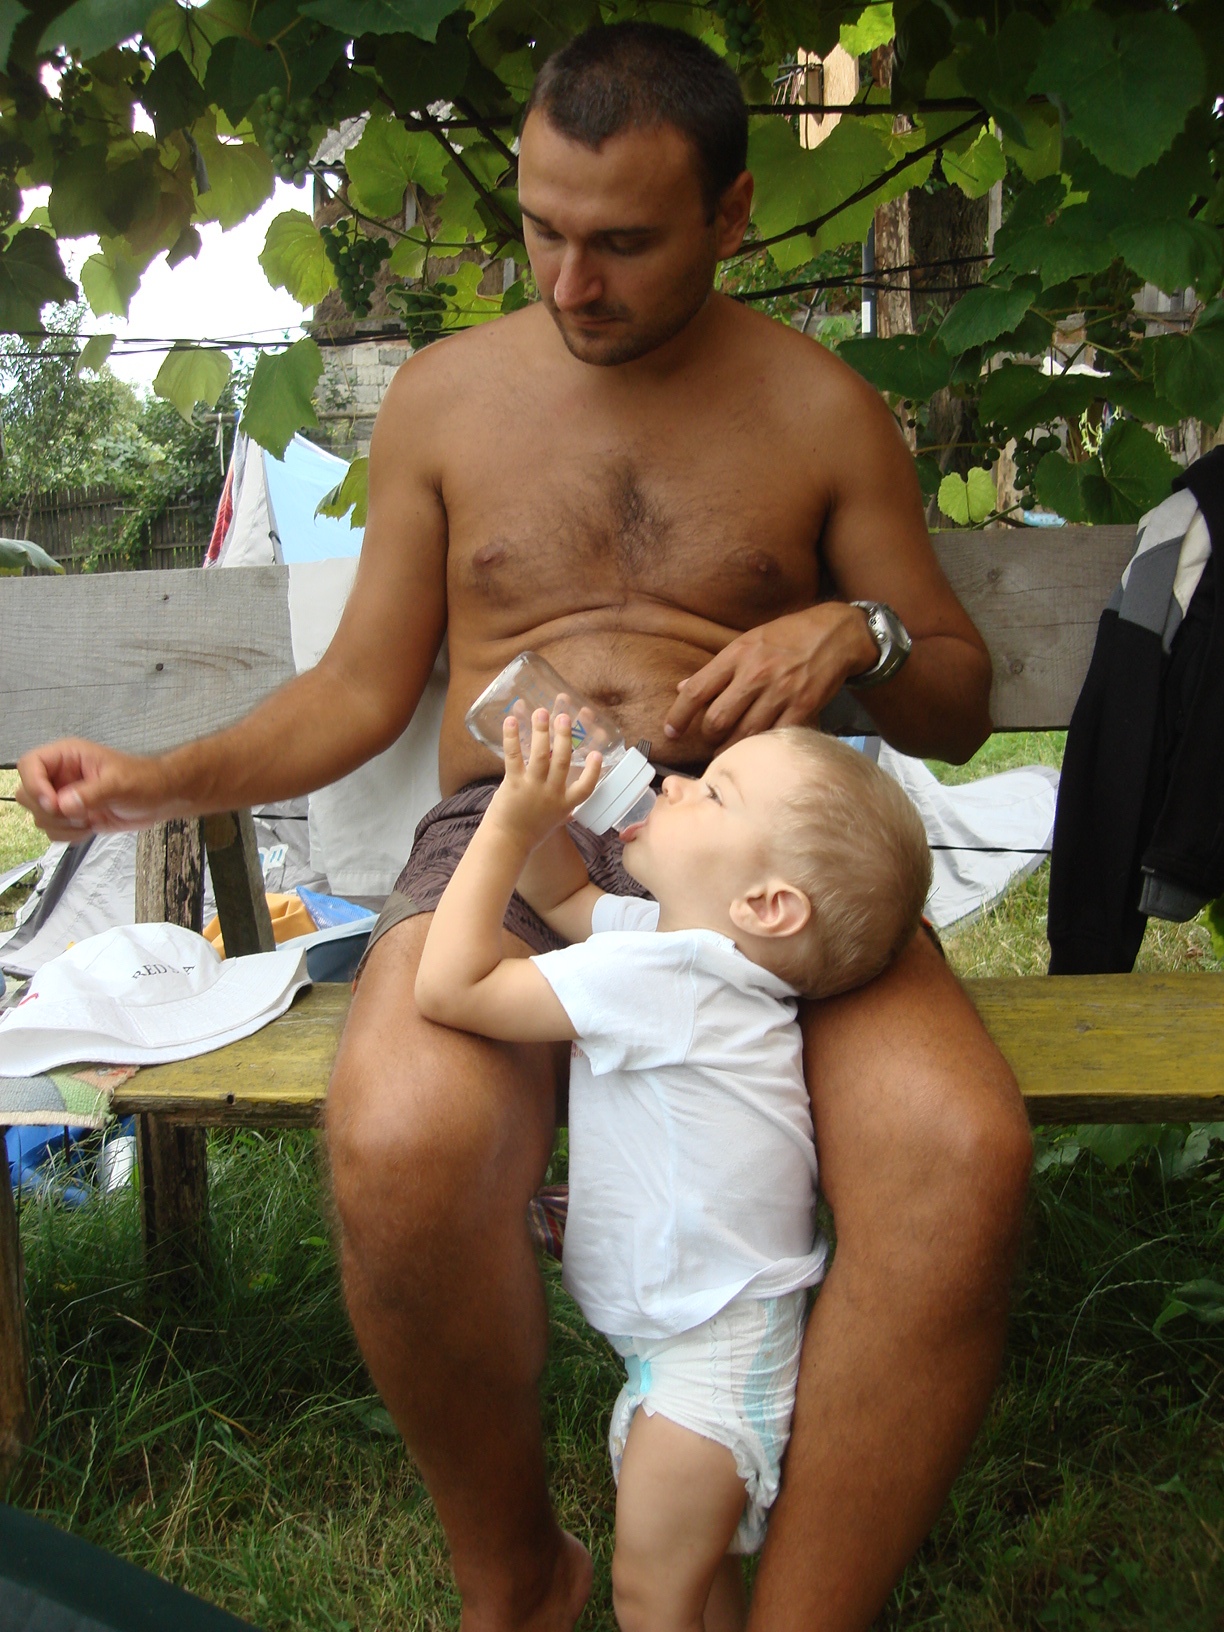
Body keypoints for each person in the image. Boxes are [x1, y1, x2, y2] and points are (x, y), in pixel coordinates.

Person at [16, 23, 1032, 1632]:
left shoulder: (822, 408)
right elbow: (362, 690)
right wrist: (157, 782)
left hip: (748, 840)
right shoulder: (447, 400)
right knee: (400, 1137)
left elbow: (957, 703)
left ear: (732, 213)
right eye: (543, 230)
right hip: (514, 826)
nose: (571, 282)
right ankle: (521, 1586)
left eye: (621, 241)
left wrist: (861, 632)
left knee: (957, 1149)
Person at [414, 707, 933, 1632]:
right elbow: (566, 900)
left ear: (766, 906)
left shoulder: (670, 980)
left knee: (650, 1598)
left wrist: (501, 823)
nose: (677, 781)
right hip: (714, 1345)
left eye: (716, 793)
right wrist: (543, 814)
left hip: (703, 1364)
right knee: (699, 1593)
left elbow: (450, 986)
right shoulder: (682, 951)